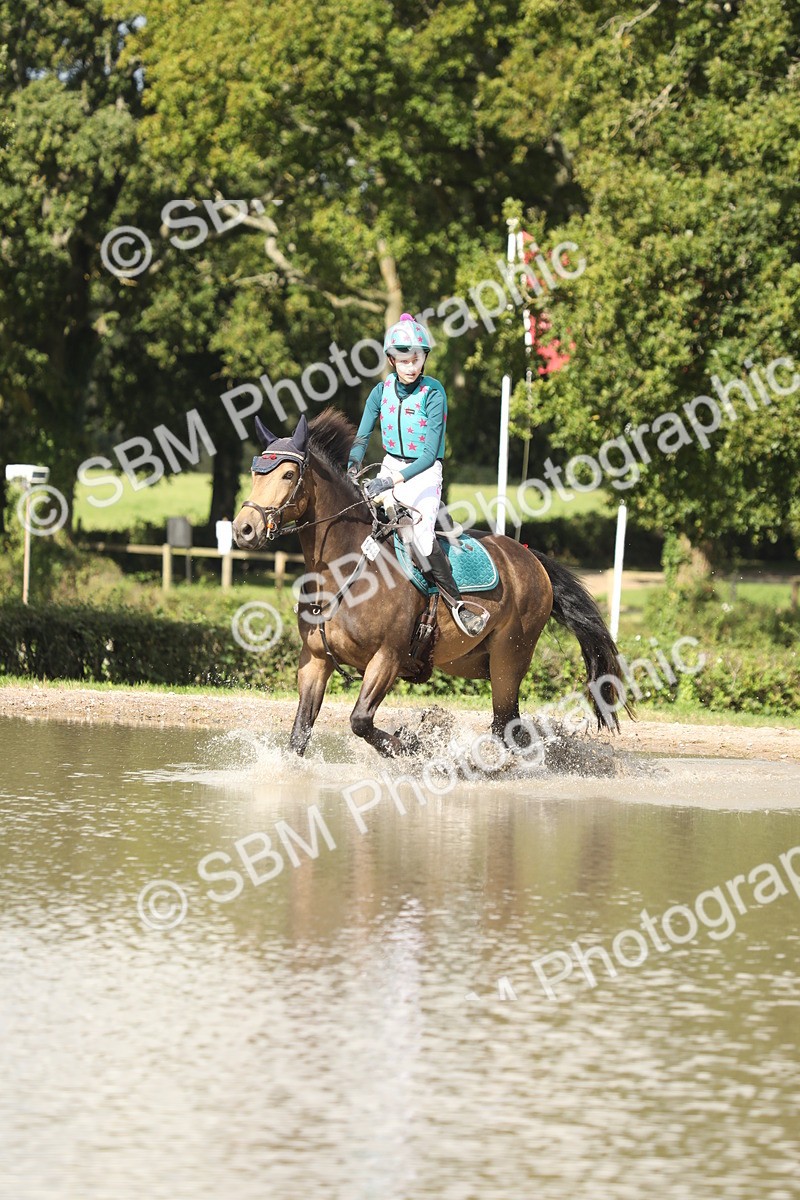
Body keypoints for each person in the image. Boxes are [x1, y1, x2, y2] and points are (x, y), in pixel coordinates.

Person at [346, 313, 489, 637]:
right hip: (389, 465)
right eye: (404, 360)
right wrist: (354, 464)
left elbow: (427, 455)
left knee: (421, 538)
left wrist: (390, 481)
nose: (410, 366)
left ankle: (458, 606)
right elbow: (363, 436)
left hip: (423, 474)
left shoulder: (434, 393)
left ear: (424, 359)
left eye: (416, 359)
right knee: (358, 522)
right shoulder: (379, 393)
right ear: (391, 359)